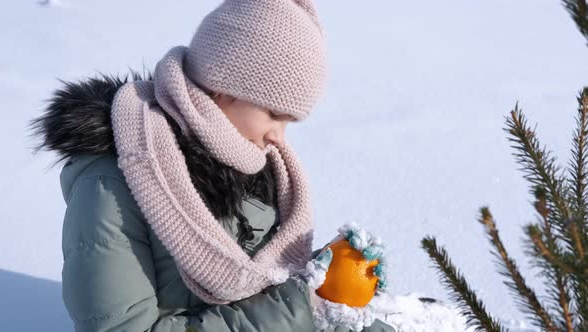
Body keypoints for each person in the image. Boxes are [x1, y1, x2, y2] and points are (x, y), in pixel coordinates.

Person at [32, 0, 395, 331]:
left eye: (290, 122)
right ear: (223, 88)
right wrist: (300, 305)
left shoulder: (255, 165)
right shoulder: (110, 185)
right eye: (273, 115)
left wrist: (328, 279)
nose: (279, 138)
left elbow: (255, 281)